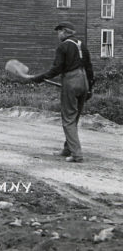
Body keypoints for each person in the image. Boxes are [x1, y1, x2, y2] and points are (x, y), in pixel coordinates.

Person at [27, 21, 94, 163]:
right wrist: (90, 88)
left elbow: (56, 69)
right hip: (84, 82)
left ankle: (77, 155)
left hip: (71, 81)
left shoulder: (63, 46)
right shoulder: (82, 45)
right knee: (74, 118)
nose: (58, 34)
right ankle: (68, 149)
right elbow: (89, 67)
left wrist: (40, 77)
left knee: (68, 119)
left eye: (59, 31)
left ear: (65, 32)